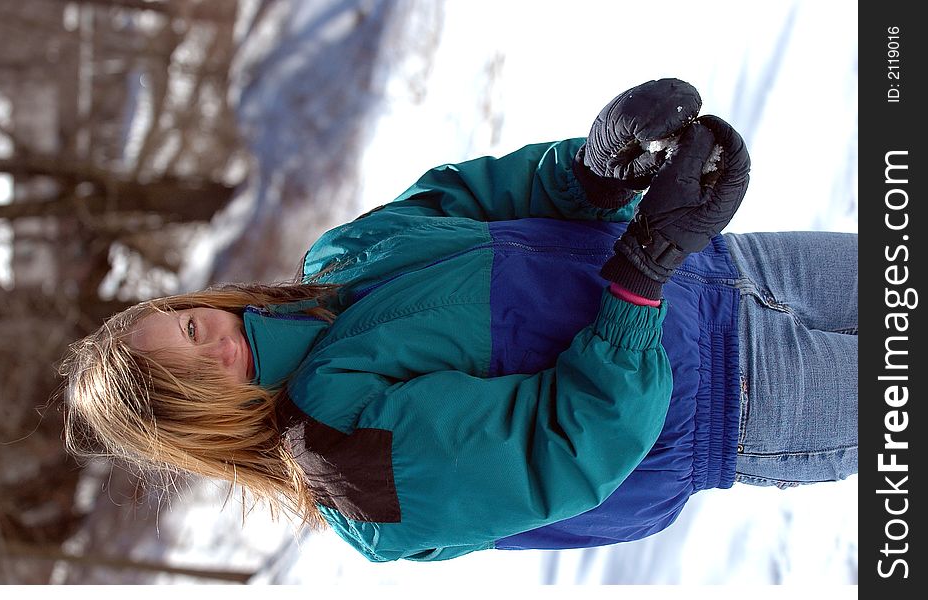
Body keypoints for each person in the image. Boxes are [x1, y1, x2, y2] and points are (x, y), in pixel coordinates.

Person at [61, 78, 858, 562]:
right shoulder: (344, 461)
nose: (220, 343)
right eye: (193, 373)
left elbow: (481, 198)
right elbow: (566, 448)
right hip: (741, 401)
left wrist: (596, 171)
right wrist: (639, 274)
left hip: (731, 270)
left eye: (193, 327)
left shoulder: (339, 260)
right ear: (196, 426)